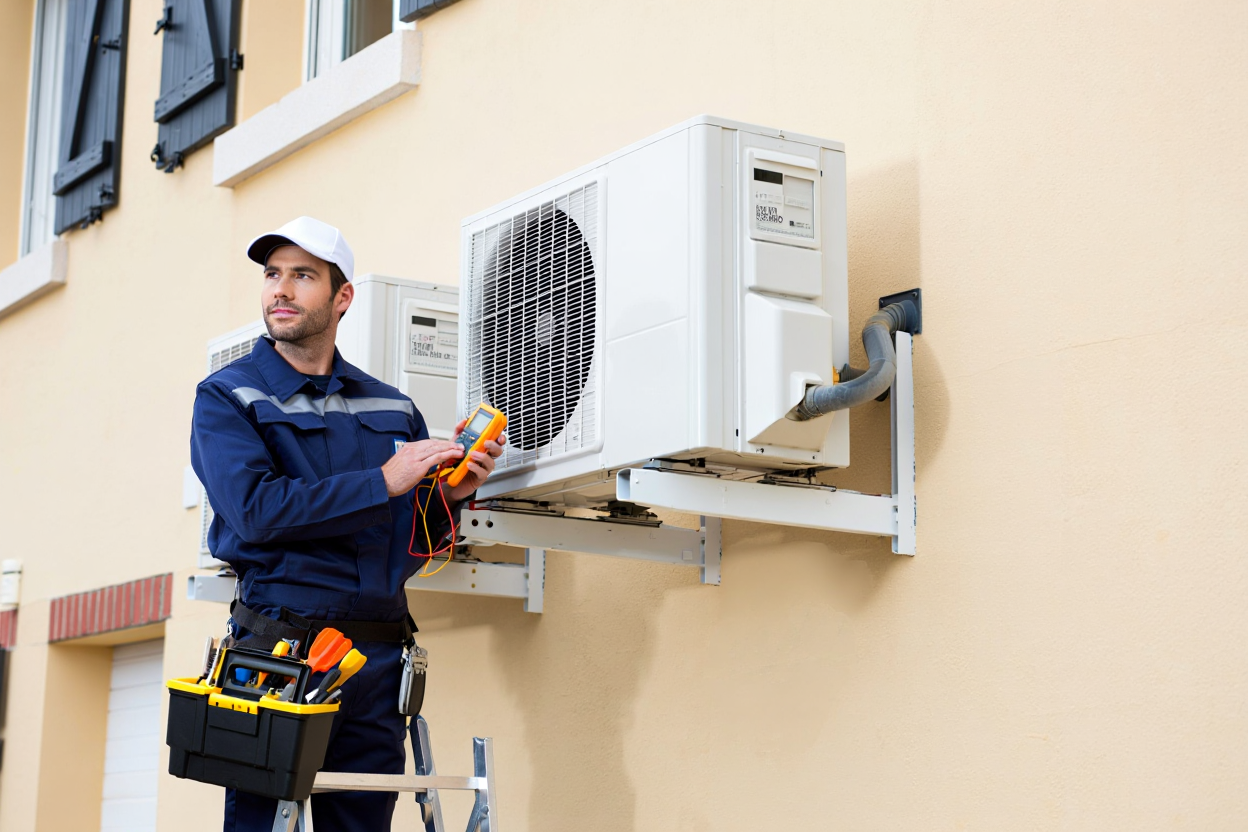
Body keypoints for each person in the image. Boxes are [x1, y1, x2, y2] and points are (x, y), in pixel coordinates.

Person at [190, 217, 503, 832]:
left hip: (377, 661)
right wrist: (382, 481)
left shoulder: (392, 406)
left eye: (302, 276)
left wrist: (450, 496)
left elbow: (406, 540)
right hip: (279, 653)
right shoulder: (228, 396)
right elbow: (255, 511)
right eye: (272, 275)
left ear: (343, 297)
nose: (281, 290)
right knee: (263, 823)